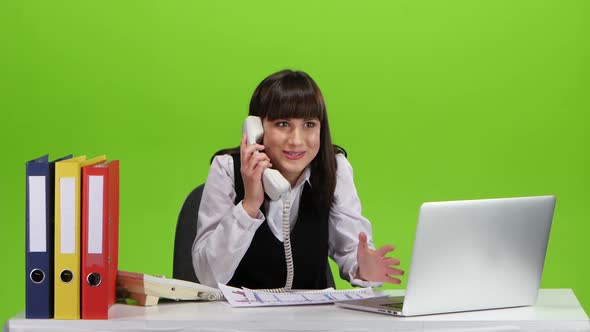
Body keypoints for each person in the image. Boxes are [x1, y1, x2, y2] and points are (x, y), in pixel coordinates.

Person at [192, 69, 404, 289]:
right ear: (256, 127)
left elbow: (351, 250)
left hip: (313, 321)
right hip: (236, 321)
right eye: (283, 124)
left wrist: (364, 270)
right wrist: (250, 205)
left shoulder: (334, 168)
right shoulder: (226, 169)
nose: (296, 140)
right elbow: (207, 276)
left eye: (309, 125)